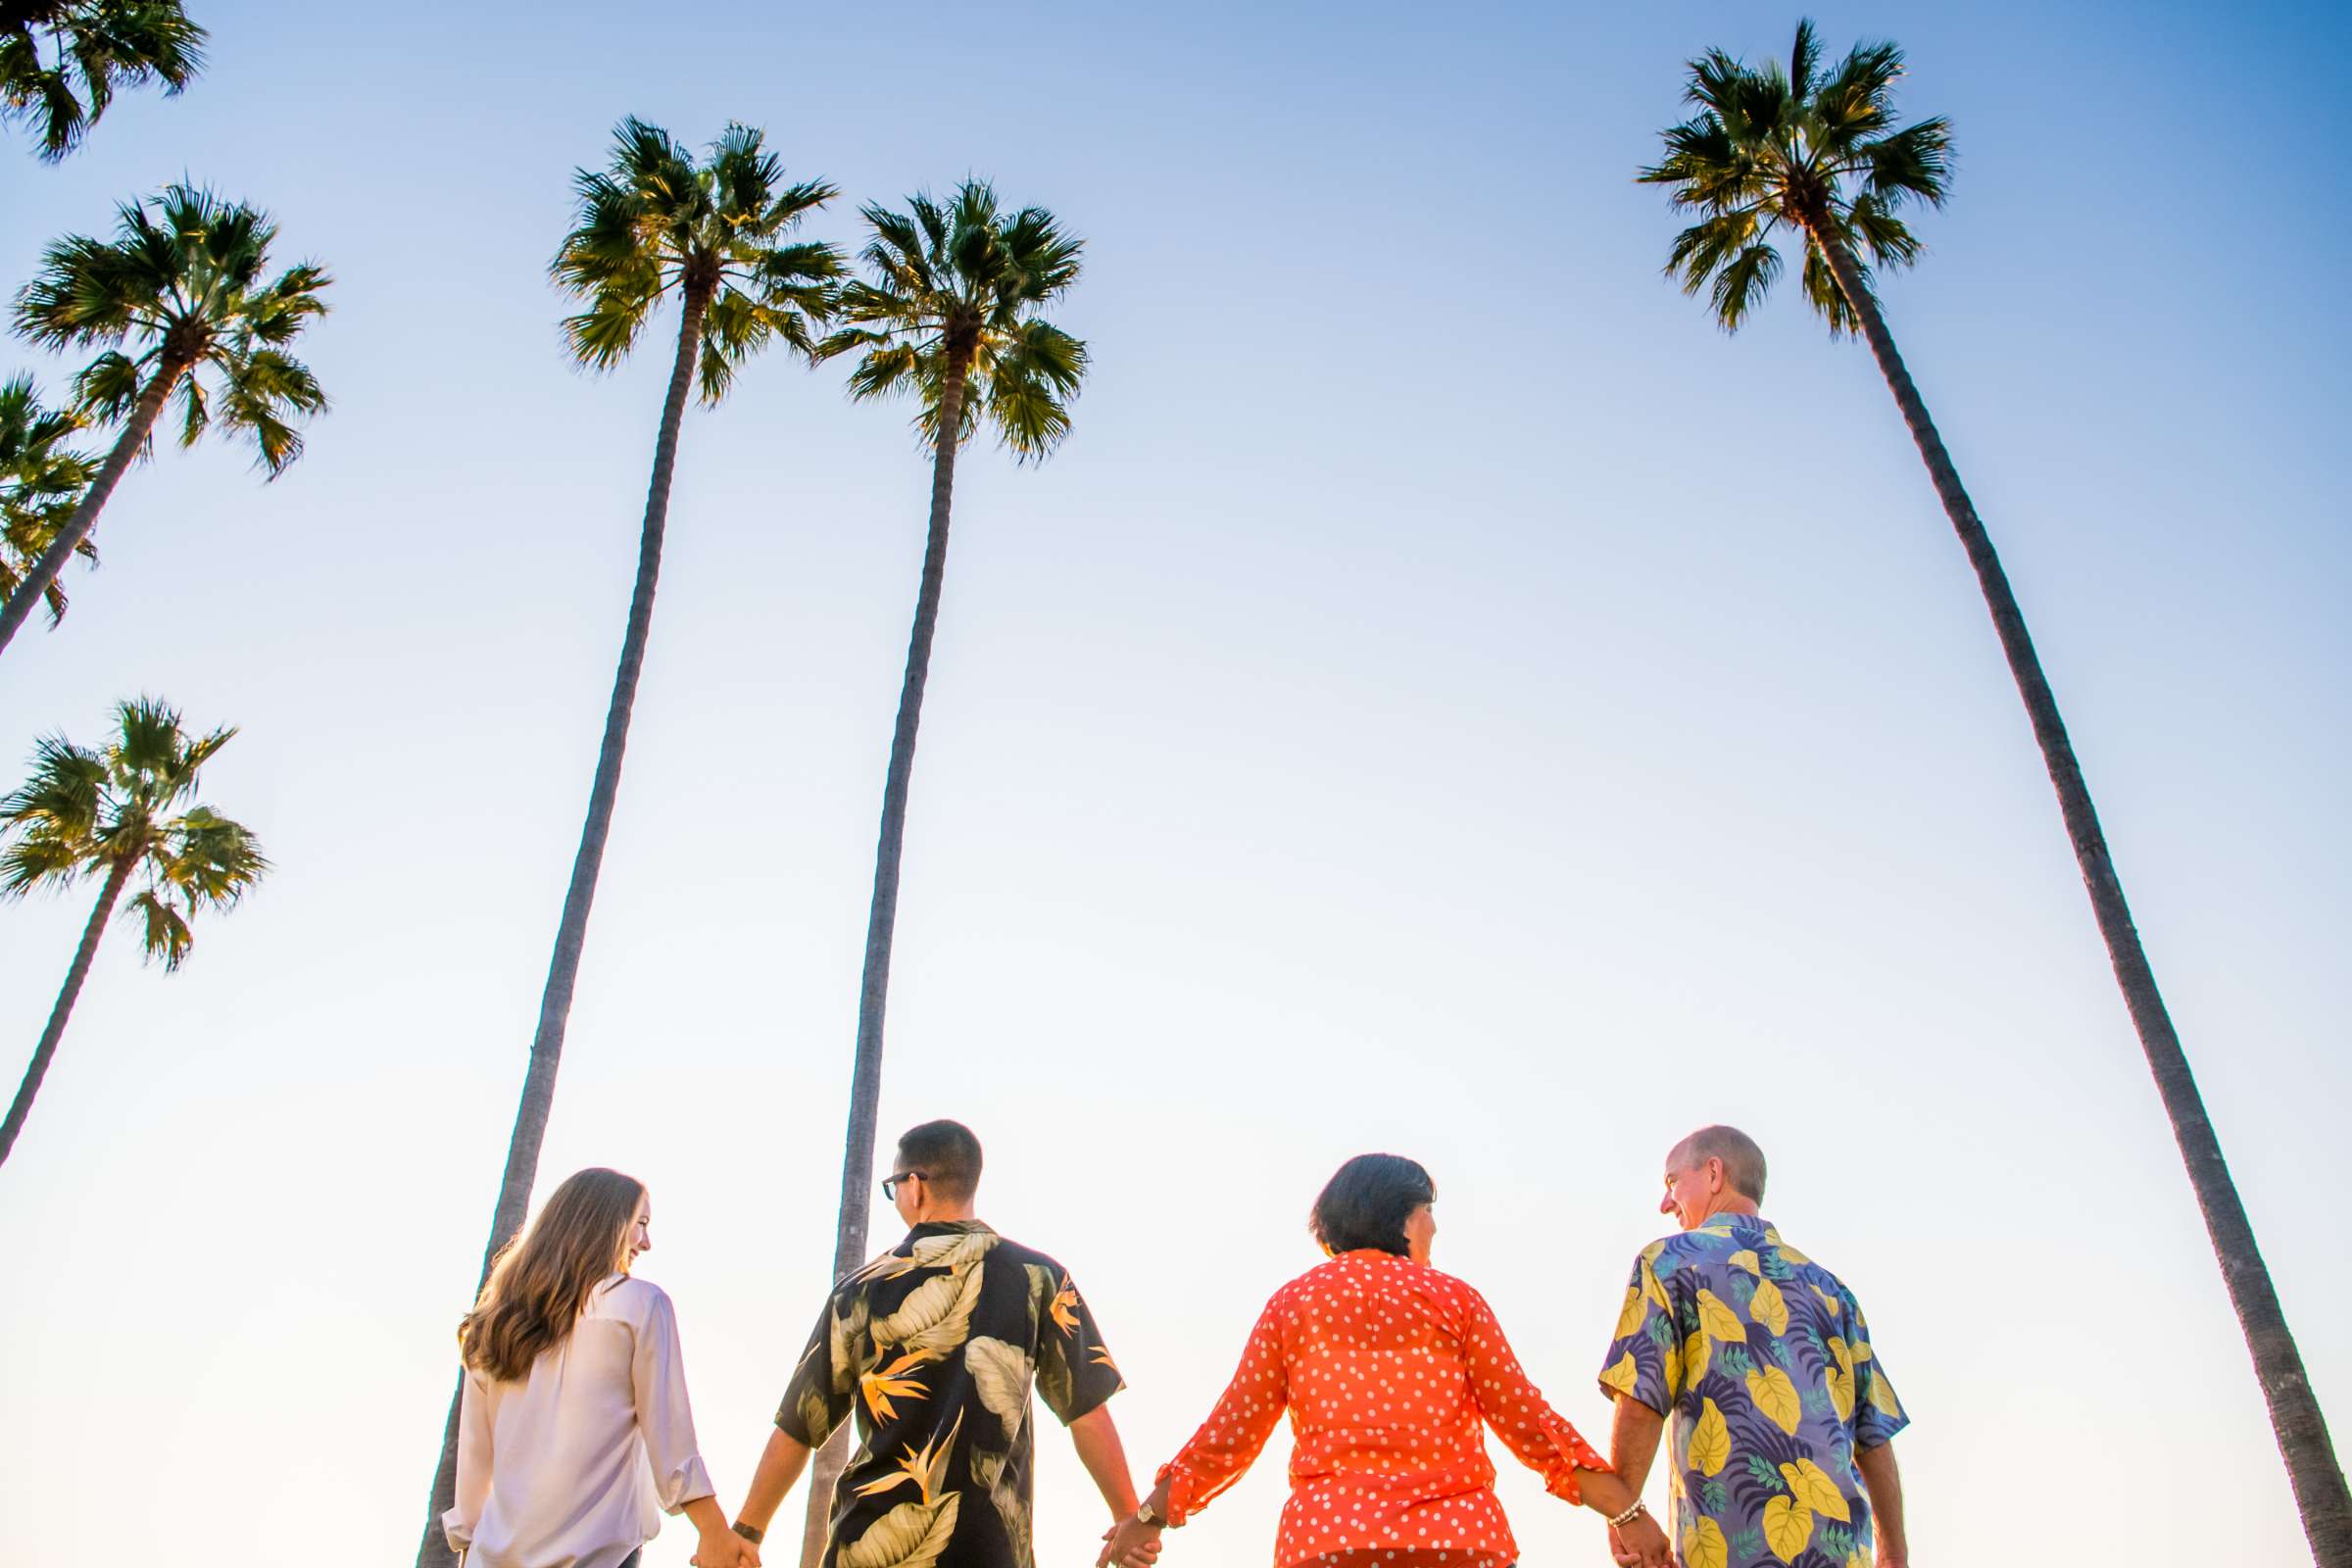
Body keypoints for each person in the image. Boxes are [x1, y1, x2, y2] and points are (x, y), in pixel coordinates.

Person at [1101, 1152, 1672, 1568]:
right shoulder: (1456, 1300)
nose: (1435, 1227)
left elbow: (1230, 1434)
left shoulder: (1294, 1305)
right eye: (1428, 1212)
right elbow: (1532, 1427)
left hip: (1327, 1543)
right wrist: (1627, 1514)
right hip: (1459, 1544)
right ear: (1401, 1216)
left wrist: (1147, 1518)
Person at [728, 1118, 1145, 1567]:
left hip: (870, 1548)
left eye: (894, 1187)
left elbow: (799, 1424)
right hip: (987, 1550)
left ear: (914, 1186)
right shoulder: (1039, 1279)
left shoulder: (861, 1290)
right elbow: (1087, 1413)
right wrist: (1129, 1520)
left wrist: (747, 1532)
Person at [1595, 1126, 1910, 1568]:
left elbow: (1641, 1397)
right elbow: (1873, 1435)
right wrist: (1894, 1555)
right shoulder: (1830, 1290)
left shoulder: (1669, 1263)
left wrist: (1623, 1516)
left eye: (1671, 1183)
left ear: (1713, 1173)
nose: (1665, 1203)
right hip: (1842, 1552)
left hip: (1725, 1546)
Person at [444, 1167, 748, 1568]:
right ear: (604, 1223)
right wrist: (714, 1533)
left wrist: (468, 1546)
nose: (647, 1242)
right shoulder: (640, 1305)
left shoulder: (494, 1324)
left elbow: (474, 1465)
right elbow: (670, 1439)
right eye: (640, 1224)